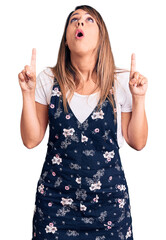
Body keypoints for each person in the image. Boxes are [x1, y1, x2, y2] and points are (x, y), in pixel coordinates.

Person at [18, 5, 148, 240]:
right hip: (55, 206)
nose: (80, 23)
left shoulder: (120, 82)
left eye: (89, 20)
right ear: (66, 40)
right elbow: (30, 139)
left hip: (109, 207)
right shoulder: (48, 79)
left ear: (101, 39)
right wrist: (28, 94)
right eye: (74, 20)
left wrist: (138, 99)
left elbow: (137, 142)